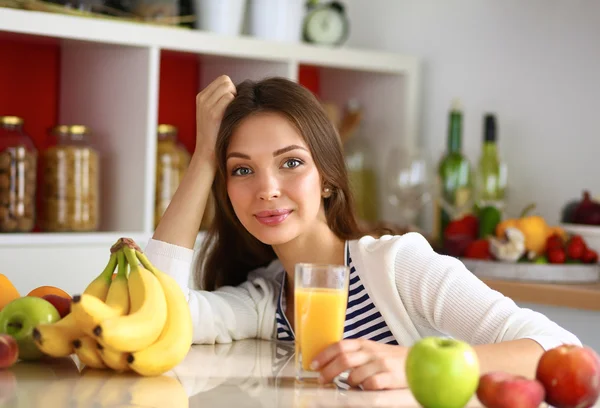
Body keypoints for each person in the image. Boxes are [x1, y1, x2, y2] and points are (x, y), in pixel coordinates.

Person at [146, 74, 581, 391]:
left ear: (329, 178)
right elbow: (160, 315)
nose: (267, 189)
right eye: (242, 170)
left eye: (291, 162)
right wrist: (204, 156)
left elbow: (561, 347)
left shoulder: (397, 265)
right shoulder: (267, 301)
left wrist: (411, 363)